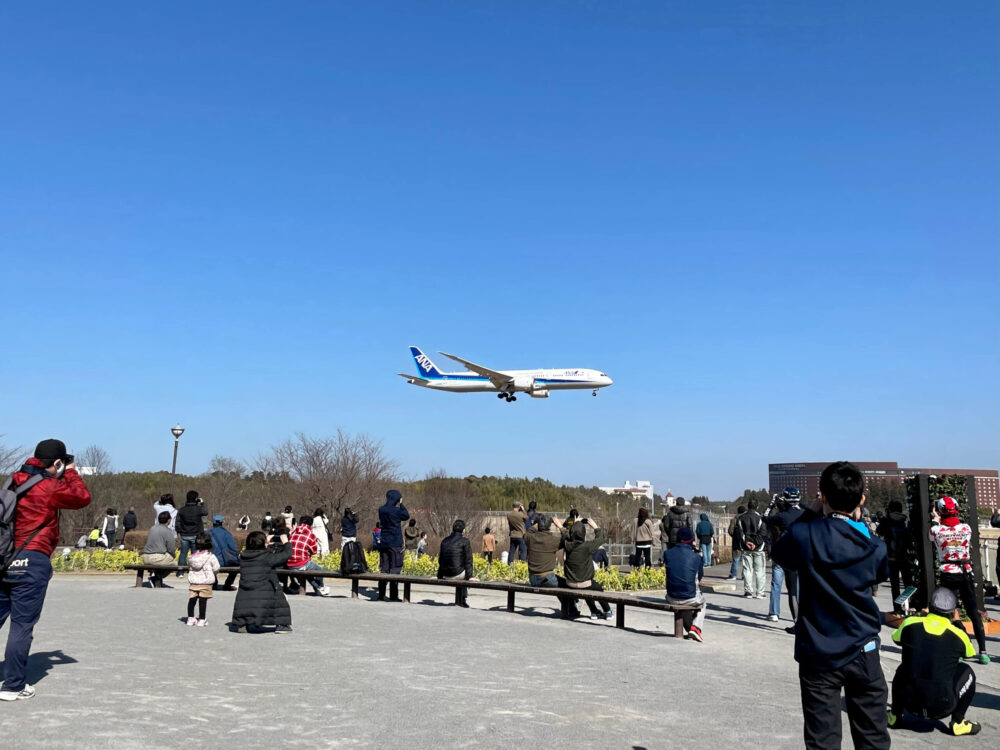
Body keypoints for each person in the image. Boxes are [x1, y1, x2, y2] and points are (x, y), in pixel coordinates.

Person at [771, 461, 890, 750]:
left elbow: (780, 552)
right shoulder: (874, 546)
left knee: (822, 740)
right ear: (861, 498)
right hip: (863, 649)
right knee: (872, 737)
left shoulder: (806, 535)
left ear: (822, 495)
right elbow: (879, 573)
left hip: (818, 652)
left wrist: (811, 510)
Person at [0, 439, 91, 701]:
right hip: (32, 558)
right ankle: (13, 686)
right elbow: (82, 498)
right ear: (58, 462)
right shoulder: (49, 486)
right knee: (21, 626)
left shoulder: (13, 481)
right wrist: (72, 472)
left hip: (4, 557)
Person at [888, 587, 981, 736]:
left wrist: (922, 617)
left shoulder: (910, 623)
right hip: (942, 707)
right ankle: (958, 722)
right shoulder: (958, 634)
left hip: (910, 703)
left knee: (903, 668)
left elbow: (896, 638)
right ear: (953, 612)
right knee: (967, 671)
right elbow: (970, 652)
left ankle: (894, 715)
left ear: (929, 607)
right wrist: (957, 623)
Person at [929, 496, 989, 664]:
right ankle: (983, 651)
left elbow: (931, 536)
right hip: (965, 571)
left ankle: (957, 652)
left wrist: (935, 519)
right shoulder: (966, 528)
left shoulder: (937, 530)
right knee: (973, 611)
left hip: (948, 572)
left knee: (947, 612)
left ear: (940, 511)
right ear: (956, 509)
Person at [231, 531, 293, 633]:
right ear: (262, 544)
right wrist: (286, 543)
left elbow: (259, 554)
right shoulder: (267, 558)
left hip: (245, 594)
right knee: (278, 595)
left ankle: (243, 624)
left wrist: (265, 544)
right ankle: (282, 625)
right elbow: (286, 555)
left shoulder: (244, 557)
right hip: (264, 594)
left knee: (246, 599)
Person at [764, 488, 805, 627]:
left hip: (780, 555)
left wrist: (771, 503)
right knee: (795, 589)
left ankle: (774, 613)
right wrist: (799, 503)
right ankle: (797, 618)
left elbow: (764, 517)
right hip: (797, 557)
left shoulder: (781, 517)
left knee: (776, 584)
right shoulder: (803, 515)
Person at [525, 514, 578, 618]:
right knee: (566, 585)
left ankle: (569, 607)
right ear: (550, 526)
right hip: (546, 578)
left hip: (532, 578)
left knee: (559, 584)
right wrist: (560, 526)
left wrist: (537, 524)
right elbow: (570, 538)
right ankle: (572, 610)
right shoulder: (554, 540)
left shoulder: (530, 538)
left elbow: (527, 532)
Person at [562, 517, 613, 620]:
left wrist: (575, 524)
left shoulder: (566, 544)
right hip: (585, 583)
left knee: (588, 588)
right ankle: (607, 611)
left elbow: (565, 535)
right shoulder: (587, 546)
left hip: (570, 583)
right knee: (596, 588)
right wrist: (595, 527)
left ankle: (594, 611)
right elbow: (601, 539)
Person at [664, 528, 707, 642]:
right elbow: (700, 576)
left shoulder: (667, 554)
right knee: (702, 604)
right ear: (691, 540)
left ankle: (690, 629)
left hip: (671, 596)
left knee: (683, 599)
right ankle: (696, 628)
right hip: (689, 597)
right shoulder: (696, 557)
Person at [875, 500, 913, 611]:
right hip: (904, 556)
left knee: (895, 585)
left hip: (891, 556)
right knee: (907, 583)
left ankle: (897, 608)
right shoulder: (905, 520)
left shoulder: (886, 521)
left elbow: (879, 532)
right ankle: (909, 605)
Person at [376, 490, 409, 602]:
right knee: (395, 568)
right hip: (395, 542)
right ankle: (393, 596)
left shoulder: (381, 510)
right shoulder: (397, 511)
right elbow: (406, 516)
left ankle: (381, 594)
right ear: (397, 499)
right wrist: (401, 504)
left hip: (384, 541)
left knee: (384, 568)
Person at [437, 519, 479, 607]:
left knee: (460, 567)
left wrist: (439, 576)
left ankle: (461, 599)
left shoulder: (444, 540)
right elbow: (468, 560)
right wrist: (470, 577)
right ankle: (462, 599)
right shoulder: (465, 541)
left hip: (445, 574)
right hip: (457, 574)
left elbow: (440, 560)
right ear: (463, 530)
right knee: (464, 571)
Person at [287, 516, 331, 597]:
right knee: (320, 570)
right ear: (310, 524)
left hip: (289, 563)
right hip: (301, 563)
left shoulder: (293, 533)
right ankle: (320, 587)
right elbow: (314, 551)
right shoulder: (311, 535)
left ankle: (318, 588)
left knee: (308, 573)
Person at [186, 532, 220, 627]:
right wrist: (213, 573)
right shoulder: (210, 556)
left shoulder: (192, 557)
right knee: (202, 601)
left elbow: (189, 567)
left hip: (194, 582)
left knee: (192, 600)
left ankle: (190, 618)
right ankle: (202, 619)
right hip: (205, 582)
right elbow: (217, 567)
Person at [735, 500, 767, 599]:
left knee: (747, 569)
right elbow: (763, 532)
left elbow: (739, 532)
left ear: (748, 506)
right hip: (758, 548)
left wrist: (746, 542)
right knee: (759, 570)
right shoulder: (760, 518)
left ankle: (748, 591)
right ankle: (760, 592)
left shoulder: (741, 518)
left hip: (746, 547)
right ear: (757, 507)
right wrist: (755, 543)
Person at [143, 511, 178, 588]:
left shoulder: (152, 528)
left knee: (164, 561)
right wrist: (173, 556)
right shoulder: (168, 531)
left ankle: (157, 579)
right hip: (156, 558)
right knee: (174, 563)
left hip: (145, 557)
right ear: (168, 520)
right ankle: (157, 577)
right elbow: (171, 548)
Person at [176, 490, 208, 574]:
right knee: (195, 554)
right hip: (195, 534)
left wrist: (179, 532)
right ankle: (193, 571)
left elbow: (178, 522)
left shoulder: (182, 510)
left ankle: (180, 572)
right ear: (196, 499)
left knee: (183, 553)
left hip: (184, 534)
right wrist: (202, 504)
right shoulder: (198, 509)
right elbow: (205, 512)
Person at [207, 515, 239, 590]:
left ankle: (214, 583)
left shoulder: (207, 533)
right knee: (236, 566)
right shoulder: (227, 534)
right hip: (225, 561)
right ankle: (227, 584)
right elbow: (233, 549)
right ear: (222, 523)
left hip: (211, 561)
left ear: (213, 523)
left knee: (209, 563)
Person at [726, 505, 746, 580]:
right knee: (745, 559)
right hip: (745, 542)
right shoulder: (746, 518)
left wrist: (734, 536)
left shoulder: (734, 519)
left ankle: (733, 575)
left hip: (736, 542)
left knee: (736, 559)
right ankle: (744, 575)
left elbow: (730, 531)